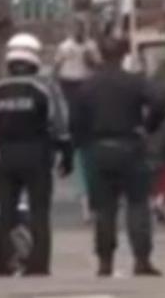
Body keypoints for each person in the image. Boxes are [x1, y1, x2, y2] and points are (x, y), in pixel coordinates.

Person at [71, 36, 165, 277]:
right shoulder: (134, 82)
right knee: (137, 205)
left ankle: (105, 262)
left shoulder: (88, 86)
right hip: (130, 145)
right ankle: (142, 260)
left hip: (99, 148)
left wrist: (84, 142)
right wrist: (149, 125)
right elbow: (160, 99)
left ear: (100, 55)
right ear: (124, 55)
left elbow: (75, 121)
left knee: (104, 209)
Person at [0, 33, 73, 276]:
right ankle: (38, 266)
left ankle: (3, 263)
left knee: (5, 213)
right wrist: (66, 153)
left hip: (6, 157)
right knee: (39, 212)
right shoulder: (44, 88)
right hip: (38, 155)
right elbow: (59, 124)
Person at [54, 19, 102, 221]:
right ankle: (72, 140)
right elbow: (57, 66)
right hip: (69, 83)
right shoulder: (65, 47)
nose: (78, 31)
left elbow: (98, 65)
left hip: (86, 81)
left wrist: (89, 57)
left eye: (81, 28)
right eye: (75, 28)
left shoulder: (91, 46)